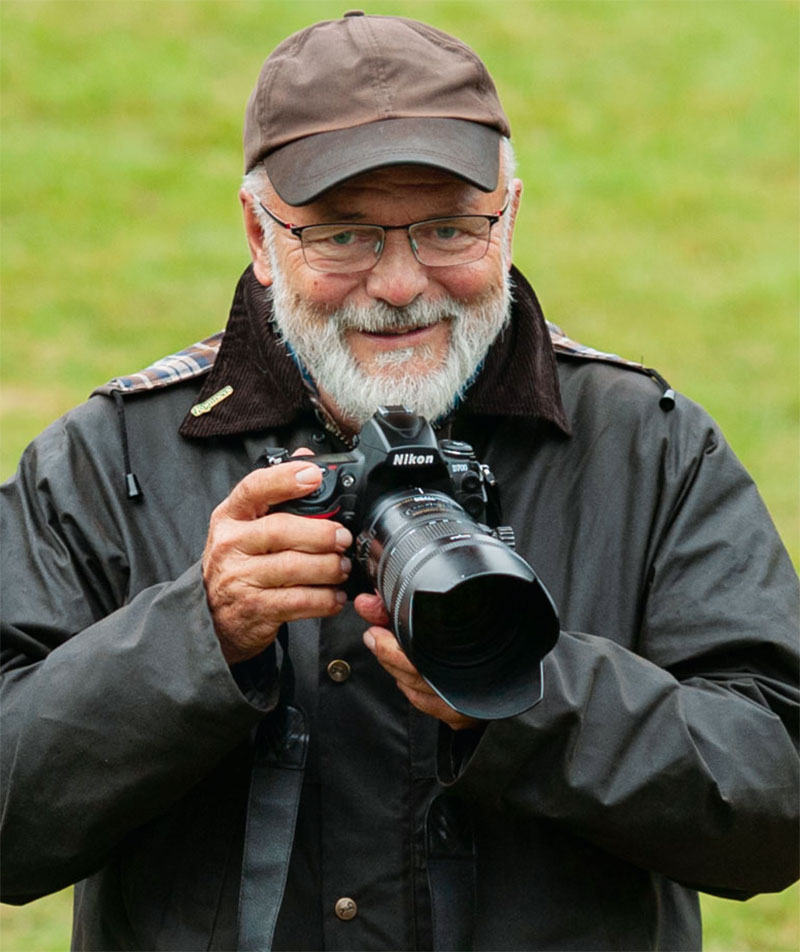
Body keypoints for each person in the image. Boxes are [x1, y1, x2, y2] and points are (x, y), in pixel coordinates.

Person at [1, 11, 797, 951]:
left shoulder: (647, 446)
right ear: (262, 236)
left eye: (448, 227)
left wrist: (523, 692)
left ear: (510, 219)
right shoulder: (109, 458)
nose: (400, 282)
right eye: (343, 236)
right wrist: (196, 637)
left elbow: (775, 798)